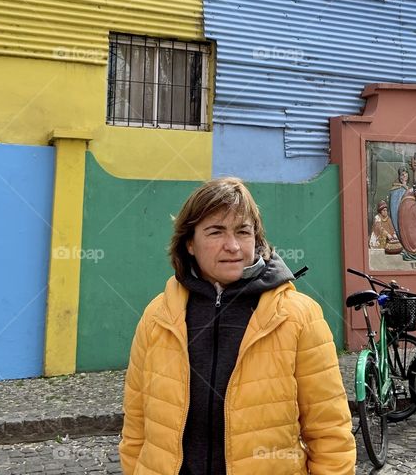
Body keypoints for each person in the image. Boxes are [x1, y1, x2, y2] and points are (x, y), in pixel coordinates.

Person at [120, 177, 355, 475]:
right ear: (190, 243)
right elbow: (136, 428)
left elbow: (330, 432)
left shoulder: (298, 316)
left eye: (243, 231)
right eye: (216, 231)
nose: (232, 246)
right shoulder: (157, 316)